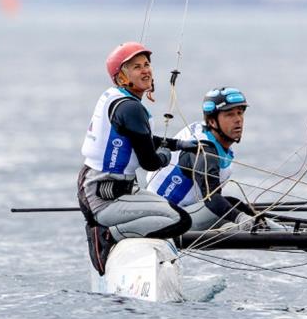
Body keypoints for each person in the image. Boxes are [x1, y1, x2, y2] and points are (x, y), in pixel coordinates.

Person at [78, 41, 194, 275]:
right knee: (181, 221)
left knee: (172, 214)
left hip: (103, 189)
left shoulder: (119, 100)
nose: (146, 70)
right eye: (136, 67)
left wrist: (177, 144)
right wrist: (164, 155)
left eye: (147, 64)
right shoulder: (130, 109)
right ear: (121, 76)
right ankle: (108, 234)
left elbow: (140, 139)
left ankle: (118, 230)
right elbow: (150, 162)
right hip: (103, 198)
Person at [147, 87, 285, 231]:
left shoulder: (211, 137)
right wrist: (240, 218)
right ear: (212, 122)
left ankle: (280, 230)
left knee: (234, 207)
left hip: (183, 212)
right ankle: (284, 232)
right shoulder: (204, 150)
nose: (238, 120)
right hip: (163, 220)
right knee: (232, 205)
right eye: (230, 115)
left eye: (240, 113)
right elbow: (212, 199)